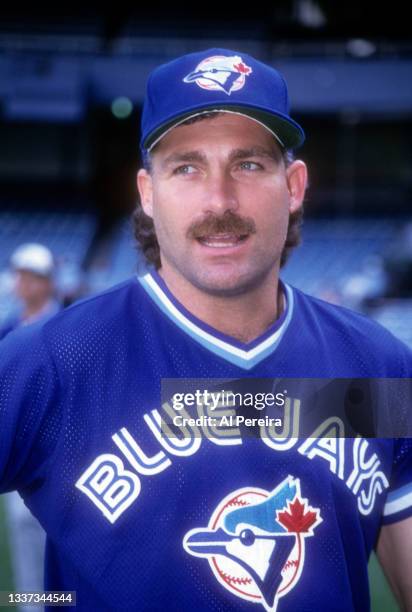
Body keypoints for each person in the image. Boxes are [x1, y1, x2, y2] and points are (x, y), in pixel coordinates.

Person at [0, 48, 411, 612]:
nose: (220, 200)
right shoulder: (55, 362)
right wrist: (23, 598)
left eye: (248, 164)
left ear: (293, 186)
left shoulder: (377, 366)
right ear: (148, 194)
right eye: (186, 167)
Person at [0, 243, 60, 611]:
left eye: (29, 275)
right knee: (23, 532)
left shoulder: (65, 326)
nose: (21, 281)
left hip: (54, 450)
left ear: (45, 282)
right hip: (15, 445)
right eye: (20, 273)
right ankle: (32, 605)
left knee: (54, 534)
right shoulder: (8, 327)